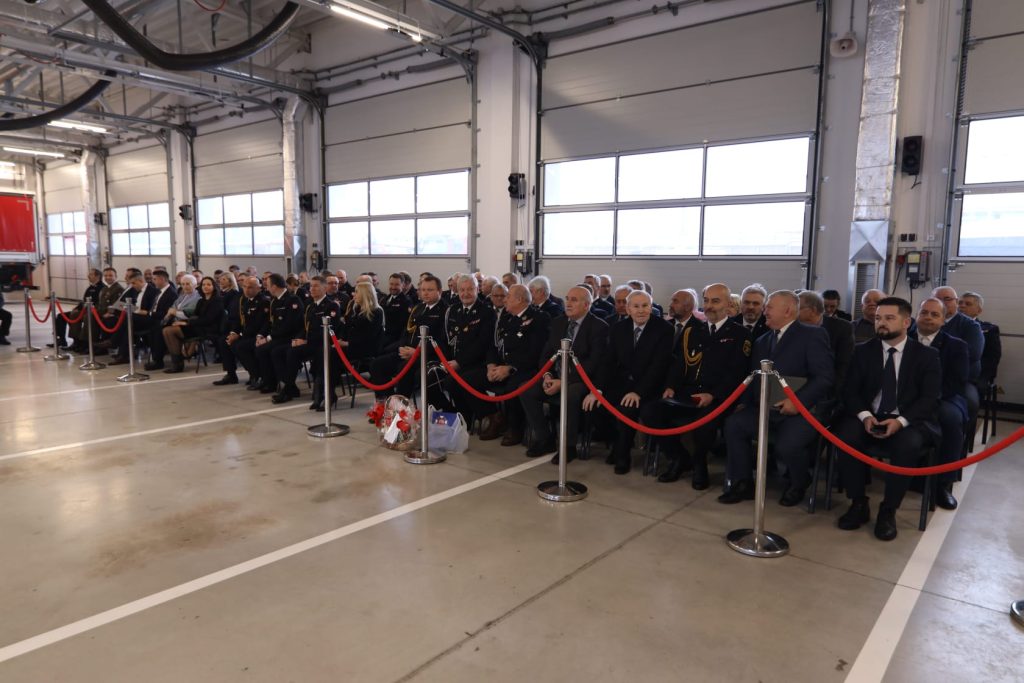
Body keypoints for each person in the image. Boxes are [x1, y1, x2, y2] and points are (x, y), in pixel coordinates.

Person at [834, 297, 941, 541]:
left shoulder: (926, 355)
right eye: (878, 318)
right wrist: (865, 416)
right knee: (846, 436)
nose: (881, 323)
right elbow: (849, 391)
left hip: (907, 418)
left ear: (906, 322)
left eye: (889, 318)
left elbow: (930, 398)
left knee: (908, 445)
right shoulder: (862, 351)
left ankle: (889, 509)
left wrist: (900, 421)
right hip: (869, 414)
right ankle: (858, 502)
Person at [719, 290, 834, 506]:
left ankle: (799, 481)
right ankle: (743, 482)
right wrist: (744, 403)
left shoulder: (813, 335)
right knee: (734, 425)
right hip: (765, 407)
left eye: (769, 307)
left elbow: (824, 377)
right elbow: (753, 377)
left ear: (787, 310)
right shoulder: (762, 341)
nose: (765, 311)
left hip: (802, 410)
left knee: (787, 445)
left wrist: (797, 402)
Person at [643, 283, 749, 488]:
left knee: (704, 425)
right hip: (687, 393)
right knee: (651, 412)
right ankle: (679, 458)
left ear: (728, 304)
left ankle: (700, 465)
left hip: (718, 398)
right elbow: (679, 363)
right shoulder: (693, 330)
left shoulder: (740, 334)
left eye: (715, 301)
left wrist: (713, 395)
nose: (709, 306)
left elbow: (737, 373)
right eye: (706, 300)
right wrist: (671, 386)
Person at [585, 290, 672, 475]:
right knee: (593, 407)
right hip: (622, 383)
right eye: (636, 306)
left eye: (645, 306)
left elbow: (659, 366)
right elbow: (608, 361)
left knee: (627, 409)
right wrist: (597, 389)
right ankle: (617, 443)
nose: (641, 310)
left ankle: (622, 456)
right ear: (628, 309)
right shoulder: (619, 328)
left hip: (649, 386)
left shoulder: (664, 329)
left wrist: (638, 392)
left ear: (651, 307)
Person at [521, 286, 609, 462]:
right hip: (555, 375)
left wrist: (564, 382)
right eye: (567, 298)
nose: (568, 303)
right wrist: (547, 375)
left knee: (570, 396)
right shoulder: (558, 322)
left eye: (574, 300)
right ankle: (545, 438)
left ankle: (569, 447)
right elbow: (546, 354)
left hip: (581, 380)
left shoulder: (599, 327)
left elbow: (593, 363)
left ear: (586, 305)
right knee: (526, 390)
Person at [469, 284, 550, 445]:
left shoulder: (539, 318)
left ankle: (515, 428)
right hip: (501, 366)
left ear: (519, 299)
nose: (504, 300)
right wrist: (491, 365)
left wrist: (510, 368)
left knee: (513, 387)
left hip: (525, 368)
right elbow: (495, 344)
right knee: (468, 379)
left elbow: (535, 353)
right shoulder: (506, 316)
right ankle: (494, 416)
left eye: (508, 296)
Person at [914, 298, 969, 510]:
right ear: (916, 316)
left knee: (951, 419)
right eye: (924, 312)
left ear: (944, 320)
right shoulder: (902, 339)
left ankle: (943, 484)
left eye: (935, 314)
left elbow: (956, 382)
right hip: (907, 397)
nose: (928, 317)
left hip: (943, 397)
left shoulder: (956, 346)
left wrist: (929, 399)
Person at [369, 275, 449, 400]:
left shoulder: (445, 311)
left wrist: (417, 352)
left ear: (439, 291)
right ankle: (387, 400)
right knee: (377, 364)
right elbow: (407, 332)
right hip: (408, 352)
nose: (425, 293)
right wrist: (402, 347)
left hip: (428, 355)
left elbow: (442, 341)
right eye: (423, 290)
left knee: (404, 368)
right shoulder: (419, 308)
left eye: (430, 290)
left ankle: (401, 404)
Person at [270, 275, 340, 405]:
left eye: (316, 286)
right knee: (278, 352)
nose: (312, 289)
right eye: (311, 286)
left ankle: (290, 390)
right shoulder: (310, 305)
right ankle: (290, 386)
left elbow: (329, 331)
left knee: (293, 352)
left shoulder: (331, 306)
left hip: (323, 343)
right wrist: (298, 338)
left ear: (325, 288)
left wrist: (306, 341)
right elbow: (304, 327)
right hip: (309, 342)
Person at [442, 275, 497, 419]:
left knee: (454, 382)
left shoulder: (486, 311)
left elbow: (483, 343)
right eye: (462, 290)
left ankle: (488, 414)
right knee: (433, 378)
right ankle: (458, 415)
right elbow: (447, 339)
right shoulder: (453, 310)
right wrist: (446, 361)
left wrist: (459, 362)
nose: (465, 293)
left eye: (470, 289)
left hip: (477, 362)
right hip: (455, 361)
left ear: (477, 290)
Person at [109, 269, 177, 366]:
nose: (152, 281)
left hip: (158, 320)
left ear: (162, 279)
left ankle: (114, 343)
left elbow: (163, 313)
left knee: (130, 319)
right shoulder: (159, 291)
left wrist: (147, 313)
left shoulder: (170, 293)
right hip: (150, 317)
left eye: (155, 279)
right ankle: (122, 352)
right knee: (127, 322)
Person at [336, 281, 385, 409]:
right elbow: (348, 328)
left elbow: (369, 337)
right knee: (326, 353)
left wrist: (346, 343)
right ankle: (326, 391)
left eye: (357, 292)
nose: (354, 294)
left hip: (366, 348)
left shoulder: (376, 312)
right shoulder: (356, 309)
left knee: (332, 354)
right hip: (353, 345)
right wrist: (341, 340)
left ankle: (327, 389)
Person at [253, 274, 305, 395]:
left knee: (272, 350)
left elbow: (290, 325)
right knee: (260, 349)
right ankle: (270, 381)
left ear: (274, 286)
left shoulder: (292, 300)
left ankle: (286, 384)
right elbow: (270, 322)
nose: (266, 288)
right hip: (279, 336)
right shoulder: (275, 301)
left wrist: (269, 338)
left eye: (268, 285)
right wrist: (261, 335)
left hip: (291, 337)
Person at [798, 290, 855, 397]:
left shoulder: (842, 328)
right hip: (796, 389)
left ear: (812, 310)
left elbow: (843, 364)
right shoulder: (794, 327)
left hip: (828, 392)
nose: (793, 311)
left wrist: (832, 394)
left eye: (797, 308)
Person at [215, 276, 270, 387]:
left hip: (259, 335)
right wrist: (234, 333)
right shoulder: (244, 300)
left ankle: (256, 375)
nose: (246, 290)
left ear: (258, 288)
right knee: (224, 341)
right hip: (246, 334)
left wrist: (240, 335)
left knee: (240, 346)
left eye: (250, 287)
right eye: (244, 287)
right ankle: (231, 374)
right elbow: (238, 320)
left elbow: (260, 324)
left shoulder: (263, 301)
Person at [161, 277, 224, 373]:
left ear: (214, 287)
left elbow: (208, 320)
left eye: (208, 284)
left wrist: (187, 323)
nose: (205, 287)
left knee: (170, 331)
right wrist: (185, 322)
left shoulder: (217, 301)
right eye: (203, 285)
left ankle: (178, 364)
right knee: (166, 330)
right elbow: (195, 315)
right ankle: (177, 362)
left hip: (208, 329)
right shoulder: (201, 301)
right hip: (198, 326)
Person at [144, 274, 199, 370]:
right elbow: (172, 308)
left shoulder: (197, 297)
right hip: (176, 322)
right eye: (183, 284)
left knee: (164, 330)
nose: (185, 286)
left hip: (190, 324)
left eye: (188, 284)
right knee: (155, 328)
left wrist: (175, 312)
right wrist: (173, 312)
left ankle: (174, 362)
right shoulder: (182, 296)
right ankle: (170, 360)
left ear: (195, 285)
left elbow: (190, 313)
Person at [958, 291, 1000, 391]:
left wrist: (982, 377)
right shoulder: (948, 325)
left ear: (978, 311)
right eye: (960, 303)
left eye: (968, 304)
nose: (962, 306)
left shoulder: (989, 329)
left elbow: (992, 358)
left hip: (976, 373)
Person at [52, 268, 103, 349]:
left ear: (98, 276)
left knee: (75, 315)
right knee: (61, 316)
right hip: (83, 310)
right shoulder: (90, 287)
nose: (88, 276)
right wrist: (77, 308)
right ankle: (62, 339)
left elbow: (99, 303)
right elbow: (83, 301)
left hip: (92, 312)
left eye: (91, 274)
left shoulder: (102, 288)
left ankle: (81, 342)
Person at [381, 273, 412, 347]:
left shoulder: (406, 301)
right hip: (383, 335)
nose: (393, 287)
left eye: (397, 284)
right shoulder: (384, 299)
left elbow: (402, 324)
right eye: (391, 284)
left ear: (403, 285)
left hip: (395, 339)